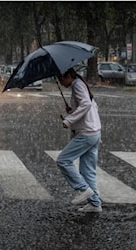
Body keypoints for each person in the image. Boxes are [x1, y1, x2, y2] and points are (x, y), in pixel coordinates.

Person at [56, 67, 102, 213]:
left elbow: (86, 104)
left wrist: (69, 120)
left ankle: (83, 189)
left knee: (63, 160)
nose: (61, 83)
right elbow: (90, 106)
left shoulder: (77, 85)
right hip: (94, 132)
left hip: (86, 133)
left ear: (68, 76)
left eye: (61, 79)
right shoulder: (81, 84)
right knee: (88, 171)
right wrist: (72, 111)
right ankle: (95, 203)